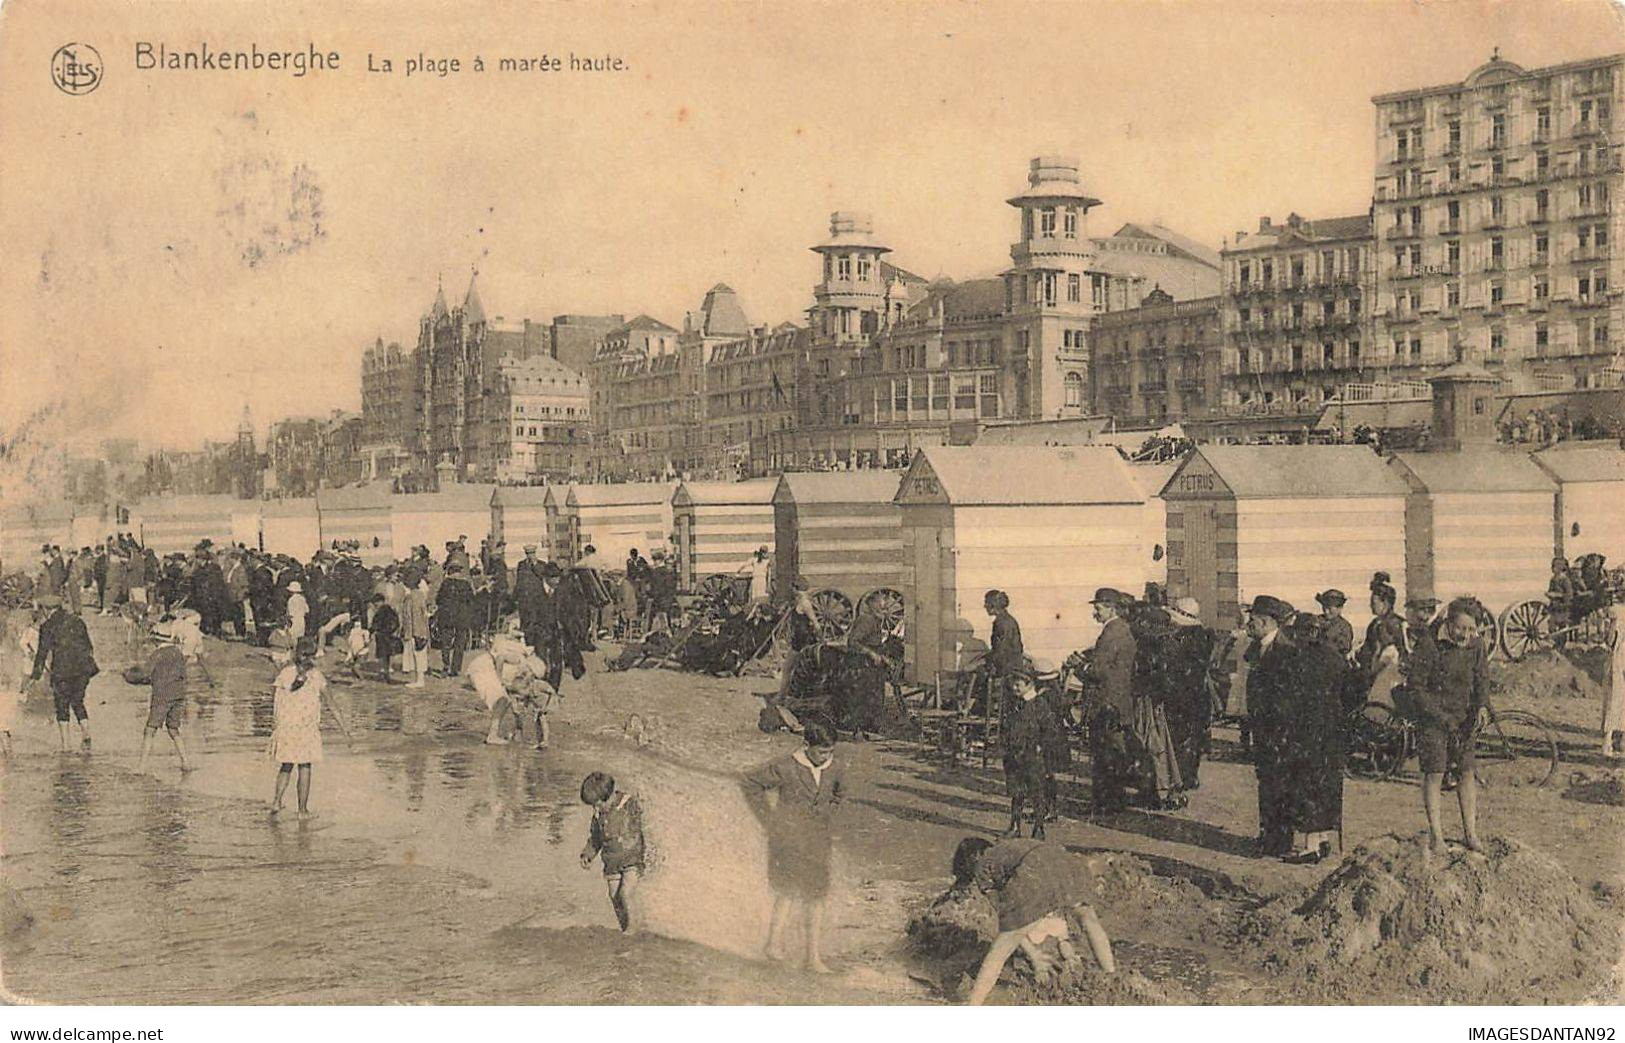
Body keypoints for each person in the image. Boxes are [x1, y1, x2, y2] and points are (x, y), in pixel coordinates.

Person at [951, 837, 1116, 1006]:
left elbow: (1009, 920)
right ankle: (1111, 978)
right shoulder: (1011, 845)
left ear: (970, 860)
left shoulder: (983, 865)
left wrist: (1033, 955)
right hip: (1067, 862)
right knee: (1089, 920)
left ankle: (973, 1004)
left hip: (1034, 873)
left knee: (999, 952)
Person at [744, 721, 844, 973]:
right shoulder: (787, 766)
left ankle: (813, 957)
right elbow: (750, 783)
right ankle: (773, 944)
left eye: (830, 751)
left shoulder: (834, 768)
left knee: (816, 896)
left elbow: (840, 793)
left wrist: (828, 812)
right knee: (787, 891)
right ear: (806, 745)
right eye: (822, 752)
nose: (826, 756)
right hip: (787, 840)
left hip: (817, 842)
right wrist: (770, 821)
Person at [1406, 597, 1487, 854]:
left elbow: (1482, 678)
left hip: (1463, 718)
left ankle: (1471, 834)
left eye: (1471, 629)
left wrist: (1482, 706)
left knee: (1466, 772)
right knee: (1435, 773)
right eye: (1461, 628)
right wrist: (1441, 718)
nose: (1466, 635)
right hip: (1434, 719)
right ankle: (1437, 836)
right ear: (1449, 623)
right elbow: (1416, 689)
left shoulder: (1476, 645)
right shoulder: (1429, 645)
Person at [1280, 614, 1346, 863]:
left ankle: (1310, 847)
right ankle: (1321, 840)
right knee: (1326, 785)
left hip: (1304, 731)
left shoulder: (1295, 658)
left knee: (1306, 784)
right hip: (1332, 731)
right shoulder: (1335, 657)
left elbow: (1287, 697)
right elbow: (1352, 690)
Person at [1244, 594, 1297, 857]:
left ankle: (1280, 841)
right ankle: (1267, 834)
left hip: (1279, 732)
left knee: (1280, 785)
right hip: (1263, 730)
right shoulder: (1257, 647)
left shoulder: (1285, 651)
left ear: (1265, 622)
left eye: (1251, 619)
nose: (1248, 624)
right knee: (1266, 782)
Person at [1081, 588, 1136, 814]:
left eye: (1098, 608)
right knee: (1113, 753)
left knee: (1104, 755)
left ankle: (1105, 804)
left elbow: (1098, 671)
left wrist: (1081, 667)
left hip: (1106, 703)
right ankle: (1112, 801)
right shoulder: (1122, 629)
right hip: (1118, 701)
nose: (1095, 612)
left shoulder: (1111, 632)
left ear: (1111, 608)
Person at [578, 771, 646, 933]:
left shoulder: (627, 803)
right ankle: (626, 927)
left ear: (608, 796)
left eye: (598, 804)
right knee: (614, 896)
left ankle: (634, 928)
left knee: (625, 893)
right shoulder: (598, 814)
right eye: (593, 805)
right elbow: (595, 838)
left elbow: (642, 817)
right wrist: (587, 854)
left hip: (632, 858)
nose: (596, 808)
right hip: (611, 863)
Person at [1002, 671, 1068, 838]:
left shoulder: (1040, 705)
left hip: (1032, 757)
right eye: (1013, 684)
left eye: (1018, 685)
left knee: (1036, 793)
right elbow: (1006, 727)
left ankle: (1038, 828)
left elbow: (1051, 731)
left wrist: (1041, 746)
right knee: (1016, 793)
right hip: (1015, 756)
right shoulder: (1014, 704)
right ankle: (1015, 826)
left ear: (1029, 685)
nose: (1014, 688)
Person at [269, 639, 329, 819]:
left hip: (286, 727)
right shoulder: (316, 676)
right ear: (311, 657)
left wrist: (276, 723)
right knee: (304, 767)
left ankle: (276, 801)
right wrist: (345, 730)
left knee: (286, 765)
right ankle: (302, 810)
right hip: (306, 729)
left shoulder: (285, 673)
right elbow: (330, 702)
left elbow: (276, 700)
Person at [1161, 597, 1217, 791]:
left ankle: (1179, 778)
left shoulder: (1181, 638)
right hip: (1199, 695)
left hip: (1180, 695)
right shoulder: (1205, 636)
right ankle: (1190, 776)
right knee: (1194, 737)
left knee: (1178, 737)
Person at [30, 594, 97, 751]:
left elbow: (42, 653)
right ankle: (86, 733)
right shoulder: (77, 621)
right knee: (78, 701)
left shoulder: (47, 626)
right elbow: (89, 646)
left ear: (47, 609)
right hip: (82, 670)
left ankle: (66, 746)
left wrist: (35, 676)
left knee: (62, 706)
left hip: (62, 672)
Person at [466, 624, 550, 747]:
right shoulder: (520, 659)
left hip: (481, 667)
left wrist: (519, 730)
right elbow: (500, 658)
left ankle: (495, 734)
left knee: (505, 700)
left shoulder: (519, 674)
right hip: (483, 667)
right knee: (502, 699)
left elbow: (515, 701)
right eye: (532, 675)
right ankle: (492, 736)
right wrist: (499, 680)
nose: (530, 678)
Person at [136, 620, 195, 773]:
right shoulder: (178, 653)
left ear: (155, 640)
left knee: (149, 730)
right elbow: (183, 674)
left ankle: (141, 767)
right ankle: (185, 762)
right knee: (174, 729)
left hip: (162, 696)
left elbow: (144, 674)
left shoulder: (157, 654)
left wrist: (127, 675)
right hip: (179, 694)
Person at [1604, 592, 1625, 759]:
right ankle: (1610, 741)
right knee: (1616, 699)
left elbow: (1609, 641)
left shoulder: (1616, 612)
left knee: (1614, 700)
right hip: (1618, 660)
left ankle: (1610, 740)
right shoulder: (1616, 612)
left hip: (1618, 659)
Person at [367, 593, 402, 683]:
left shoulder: (381, 611)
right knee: (387, 655)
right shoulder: (390, 610)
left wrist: (370, 631)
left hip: (382, 635)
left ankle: (384, 673)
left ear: (380, 602)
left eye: (376, 603)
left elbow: (376, 624)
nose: (375, 605)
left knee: (382, 655)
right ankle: (386, 673)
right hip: (389, 635)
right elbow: (396, 622)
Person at [1315, 589, 1354, 659]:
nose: (1326, 612)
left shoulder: (1344, 627)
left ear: (1340, 608)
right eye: (1324, 608)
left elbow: (1344, 647)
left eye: (1330, 609)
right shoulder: (1316, 620)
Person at [1547, 556, 1575, 645]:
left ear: (1560, 568)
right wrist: (1549, 594)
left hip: (1564, 606)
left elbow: (1569, 595)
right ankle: (1556, 642)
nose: (1553, 569)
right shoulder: (1553, 579)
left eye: (1555, 567)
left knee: (1561, 626)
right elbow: (1550, 590)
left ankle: (1561, 644)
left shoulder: (1565, 580)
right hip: (1554, 606)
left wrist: (1557, 595)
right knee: (1551, 626)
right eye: (1552, 566)